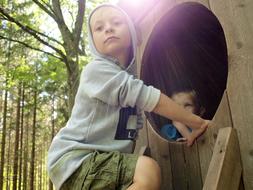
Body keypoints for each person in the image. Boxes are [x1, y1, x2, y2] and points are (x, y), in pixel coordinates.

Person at [47, 4, 210, 190]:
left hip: (93, 161)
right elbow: (149, 98)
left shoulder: (125, 87)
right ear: (93, 42)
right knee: (147, 170)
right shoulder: (97, 70)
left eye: (116, 22)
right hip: (76, 158)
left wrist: (188, 134)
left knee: (138, 174)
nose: (108, 28)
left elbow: (127, 136)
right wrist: (197, 123)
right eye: (99, 28)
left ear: (132, 32)